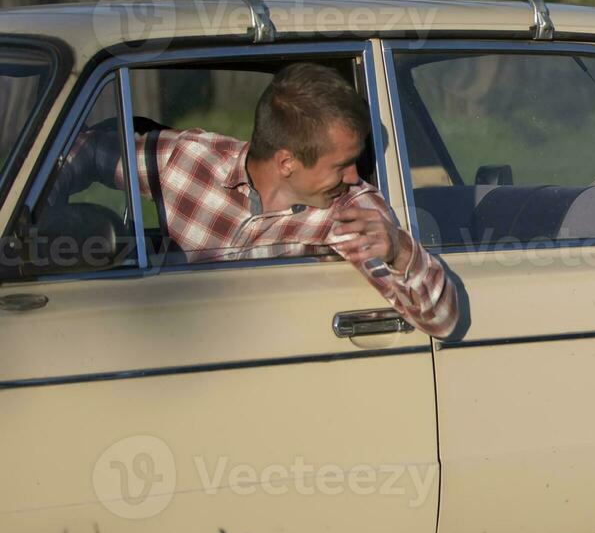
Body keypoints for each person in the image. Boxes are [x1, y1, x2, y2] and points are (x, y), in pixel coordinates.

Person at [62, 62, 458, 338]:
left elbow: (441, 321)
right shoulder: (188, 160)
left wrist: (401, 251)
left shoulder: (353, 211)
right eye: (343, 165)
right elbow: (93, 151)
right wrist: (47, 210)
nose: (355, 177)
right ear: (286, 161)